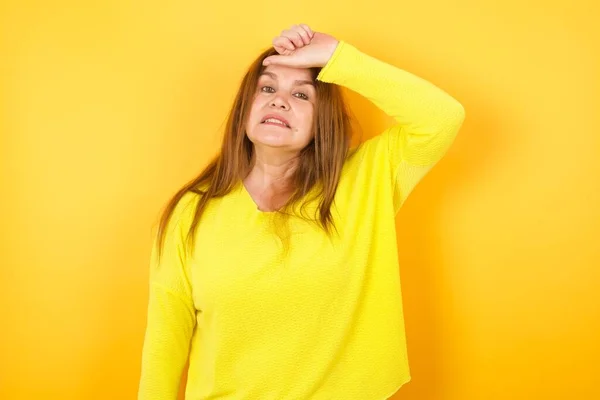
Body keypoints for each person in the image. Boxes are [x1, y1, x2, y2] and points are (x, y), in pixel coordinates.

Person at [137, 24, 465, 400]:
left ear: (320, 121)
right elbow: (166, 338)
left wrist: (338, 58)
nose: (279, 101)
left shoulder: (366, 178)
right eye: (267, 88)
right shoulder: (191, 210)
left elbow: (442, 118)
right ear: (246, 108)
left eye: (301, 94)